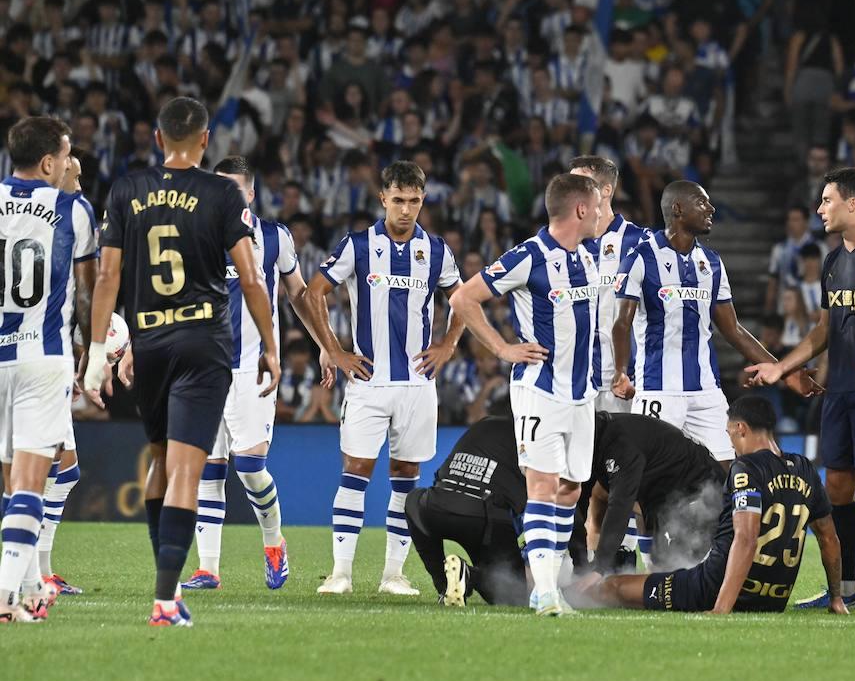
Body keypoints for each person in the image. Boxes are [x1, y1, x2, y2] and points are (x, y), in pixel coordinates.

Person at [82, 98, 282, 627]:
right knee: (190, 470)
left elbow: (107, 278)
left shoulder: (126, 190)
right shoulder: (221, 194)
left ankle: (167, 586)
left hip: (149, 340)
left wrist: (98, 352)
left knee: (160, 461)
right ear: (205, 140)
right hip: (203, 341)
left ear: (157, 137)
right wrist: (270, 344)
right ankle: (166, 600)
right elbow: (251, 278)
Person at [747, 168, 855, 611]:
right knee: (837, 488)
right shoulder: (833, 261)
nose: (820, 209)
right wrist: (782, 367)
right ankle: (848, 589)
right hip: (838, 390)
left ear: (852, 204)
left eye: (826, 200)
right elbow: (823, 329)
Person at [303, 160, 464, 598]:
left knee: (406, 475)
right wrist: (335, 350)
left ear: (423, 200)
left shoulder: (436, 250)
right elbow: (314, 292)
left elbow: (463, 298)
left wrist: (448, 344)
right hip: (369, 382)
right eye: (398, 200)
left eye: (413, 201)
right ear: (383, 199)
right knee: (356, 470)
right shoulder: (358, 245)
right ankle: (340, 573)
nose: (406, 210)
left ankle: (394, 574)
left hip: (417, 385)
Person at [449, 173, 603, 617]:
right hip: (540, 390)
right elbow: (463, 299)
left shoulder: (589, 257)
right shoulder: (528, 256)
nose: (599, 214)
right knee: (542, 485)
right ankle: (546, 591)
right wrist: (502, 348)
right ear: (580, 209)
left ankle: (547, 585)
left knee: (570, 490)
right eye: (595, 206)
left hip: (582, 395)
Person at [180, 156, 322, 592]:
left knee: (250, 467)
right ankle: (208, 568)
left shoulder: (275, 238)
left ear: (251, 194)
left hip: (253, 368)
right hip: (204, 368)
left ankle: (274, 542)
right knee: (209, 468)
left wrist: (325, 346)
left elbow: (298, 294)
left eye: (234, 189)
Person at [610, 180, 819, 465]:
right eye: (701, 202)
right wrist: (621, 371)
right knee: (648, 475)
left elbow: (734, 330)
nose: (711, 208)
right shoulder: (640, 258)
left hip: (706, 391)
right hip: (658, 389)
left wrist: (786, 372)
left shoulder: (711, 262)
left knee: (727, 471)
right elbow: (622, 323)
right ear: (678, 209)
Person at [579, 396, 847, 615]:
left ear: (740, 428)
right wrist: (836, 598)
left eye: (730, 434)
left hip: (712, 588)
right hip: (773, 599)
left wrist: (721, 608)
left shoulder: (745, 469)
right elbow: (829, 538)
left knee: (610, 588)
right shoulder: (805, 469)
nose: (731, 443)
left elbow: (746, 539)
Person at [0, 118, 98, 623]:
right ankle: (5, 597)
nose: (67, 164)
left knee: (9, 485)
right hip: (43, 357)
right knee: (31, 484)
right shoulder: (73, 209)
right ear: (46, 162)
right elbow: (87, 294)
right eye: (64, 155)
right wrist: (92, 351)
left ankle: (29, 585)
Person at [403, 416, 530, 608]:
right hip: (485, 516)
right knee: (514, 593)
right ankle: (470, 576)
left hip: (437, 504)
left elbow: (440, 475)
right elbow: (540, 504)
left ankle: (445, 585)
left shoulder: (485, 423)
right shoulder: (535, 441)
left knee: (414, 501)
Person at [583, 411, 725, 572]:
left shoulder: (622, 446)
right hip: (664, 490)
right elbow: (582, 497)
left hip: (701, 493)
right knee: (600, 495)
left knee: (667, 570)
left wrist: (600, 567)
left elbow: (620, 505)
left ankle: (615, 566)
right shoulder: (597, 438)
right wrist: (580, 562)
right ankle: (615, 564)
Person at [567, 156, 651, 415]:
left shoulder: (642, 243)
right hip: (573, 382)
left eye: (581, 182)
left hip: (626, 383)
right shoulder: (560, 244)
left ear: (606, 190)